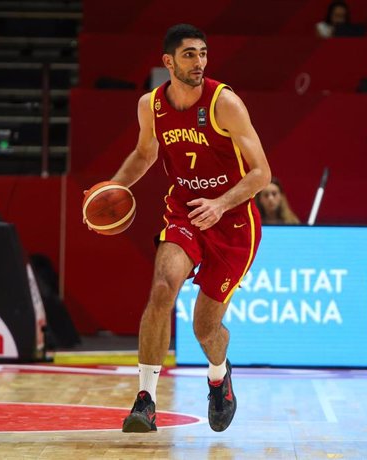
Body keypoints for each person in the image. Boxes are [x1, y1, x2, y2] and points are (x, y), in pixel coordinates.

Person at [96, 24, 271, 433]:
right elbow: (144, 154)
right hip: (185, 213)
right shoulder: (150, 106)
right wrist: (113, 190)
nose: (199, 62)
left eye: (204, 53)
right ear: (168, 62)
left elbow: (262, 173)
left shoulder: (225, 102)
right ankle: (145, 400)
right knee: (162, 287)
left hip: (233, 223)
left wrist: (221, 202)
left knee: (204, 328)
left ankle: (218, 377)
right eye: (190, 54)